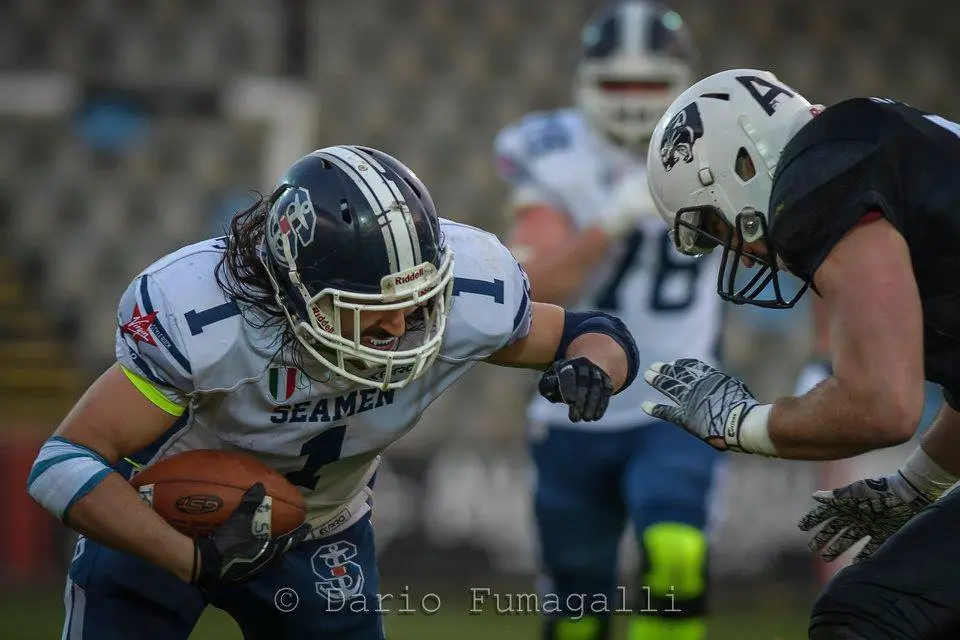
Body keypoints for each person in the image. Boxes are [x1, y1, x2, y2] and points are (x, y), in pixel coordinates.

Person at [26, 145, 640, 640]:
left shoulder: (462, 303)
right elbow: (62, 463)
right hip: (167, 521)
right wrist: (190, 558)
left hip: (319, 531)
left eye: (416, 304)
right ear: (296, 294)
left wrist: (594, 370)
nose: (401, 329)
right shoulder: (208, 322)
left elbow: (589, 334)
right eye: (373, 310)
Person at [642, 68, 960, 640]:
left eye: (715, 224)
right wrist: (917, 484)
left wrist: (741, 424)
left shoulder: (820, 175)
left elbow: (881, 404)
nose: (735, 248)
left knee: (861, 618)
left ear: (741, 164)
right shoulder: (875, 141)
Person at [493, 4, 724, 639]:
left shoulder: (721, 140)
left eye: (649, 84)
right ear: (585, 81)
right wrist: (612, 222)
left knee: (677, 558)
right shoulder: (553, 152)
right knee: (577, 610)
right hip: (576, 398)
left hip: (681, 396)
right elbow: (531, 289)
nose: (632, 100)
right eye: (618, 84)